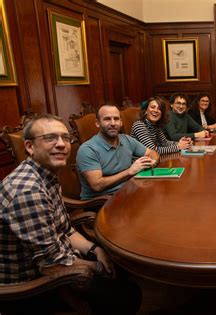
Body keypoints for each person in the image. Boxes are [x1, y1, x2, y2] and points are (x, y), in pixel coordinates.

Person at [0, 114, 141, 314]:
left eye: (65, 138)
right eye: (50, 138)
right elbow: (52, 266)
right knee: (127, 296)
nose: (61, 144)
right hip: (30, 288)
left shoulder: (45, 174)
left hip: (60, 259)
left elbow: (65, 230)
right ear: (30, 147)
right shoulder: (27, 191)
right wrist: (98, 267)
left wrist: (94, 250)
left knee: (120, 267)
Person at [77, 104, 159, 200]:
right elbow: (97, 185)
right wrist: (129, 171)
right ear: (97, 123)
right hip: (102, 202)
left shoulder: (127, 139)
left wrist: (152, 163)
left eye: (116, 119)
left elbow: (152, 153)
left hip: (128, 192)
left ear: (121, 122)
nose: (113, 123)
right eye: (107, 119)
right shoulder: (87, 149)